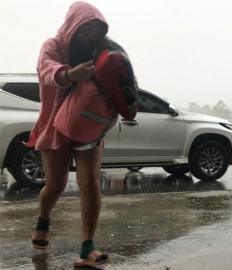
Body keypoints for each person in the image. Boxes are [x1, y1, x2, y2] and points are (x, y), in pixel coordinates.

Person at [27, 1, 125, 267]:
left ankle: (87, 248)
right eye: (86, 29)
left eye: (96, 30)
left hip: (88, 126)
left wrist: (127, 100)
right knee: (56, 185)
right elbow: (46, 69)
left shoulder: (101, 50)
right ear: (73, 25)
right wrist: (70, 73)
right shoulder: (53, 45)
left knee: (90, 184)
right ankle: (43, 220)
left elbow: (120, 74)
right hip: (54, 126)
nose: (90, 36)